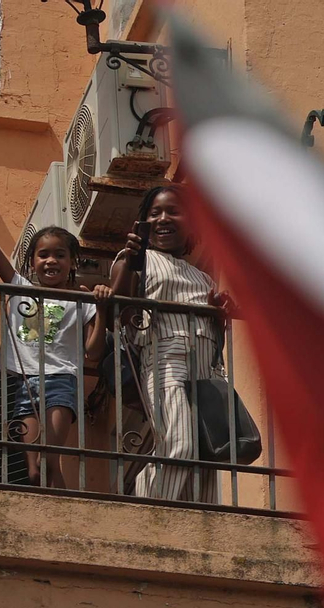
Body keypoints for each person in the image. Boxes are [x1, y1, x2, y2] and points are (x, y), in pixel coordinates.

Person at [0, 187, 112, 488]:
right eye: (43, 255)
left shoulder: (81, 301)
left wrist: (101, 311)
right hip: (25, 383)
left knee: (49, 459)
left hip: (61, 381)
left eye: (60, 255)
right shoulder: (21, 288)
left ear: (72, 262)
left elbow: (93, 352)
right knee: (34, 472)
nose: (51, 261)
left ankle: (63, 511)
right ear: (32, 262)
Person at [109, 184, 229, 502]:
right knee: (180, 444)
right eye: (155, 213)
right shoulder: (138, 260)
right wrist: (131, 261)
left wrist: (219, 312)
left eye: (174, 211)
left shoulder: (203, 278)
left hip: (207, 372)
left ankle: (198, 526)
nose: (163, 218)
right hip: (165, 359)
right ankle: (147, 509)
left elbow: (217, 338)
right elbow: (115, 313)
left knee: (205, 459)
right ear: (144, 223)